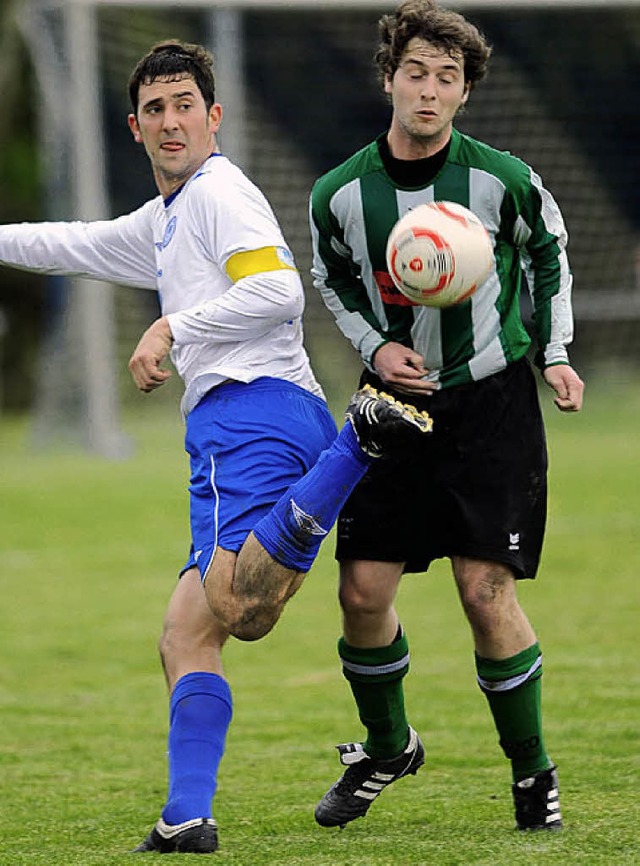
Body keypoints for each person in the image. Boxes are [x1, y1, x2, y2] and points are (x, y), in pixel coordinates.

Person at [0, 41, 433, 854]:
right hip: (254, 417)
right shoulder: (167, 217)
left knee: (241, 608)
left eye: (184, 105)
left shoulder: (218, 192)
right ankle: (187, 817)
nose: (171, 121)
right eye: (155, 109)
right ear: (135, 126)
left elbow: (276, 290)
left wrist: (172, 326)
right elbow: (69, 244)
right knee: (186, 633)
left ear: (213, 117)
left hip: (250, 414)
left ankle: (360, 442)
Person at [309, 0, 584, 833]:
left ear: (465, 93)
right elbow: (333, 280)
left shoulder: (501, 178)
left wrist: (557, 350)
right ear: (389, 78)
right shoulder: (340, 193)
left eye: (448, 78)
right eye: (416, 73)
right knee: (361, 591)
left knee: (483, 589)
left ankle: (533, 776)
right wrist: (374, 348)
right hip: (392, 405)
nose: (429, 91)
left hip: (492, 402)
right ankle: (388, 747)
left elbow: (549, 250)